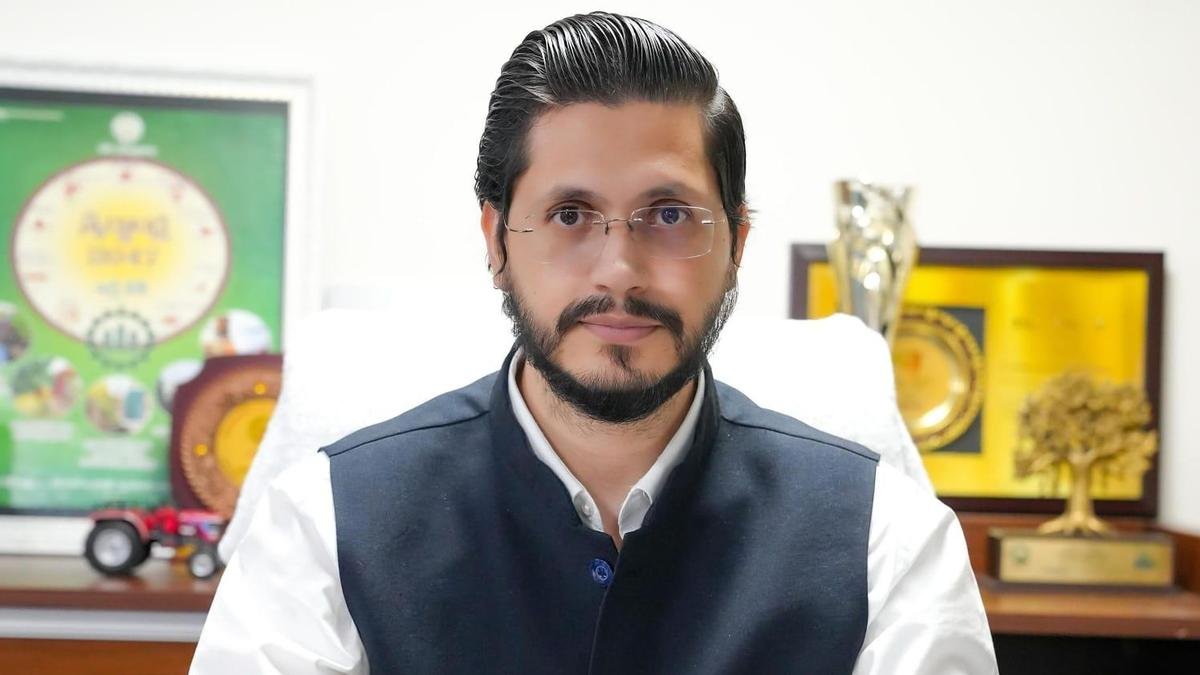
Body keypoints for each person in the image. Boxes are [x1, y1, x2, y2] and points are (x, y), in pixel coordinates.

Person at [191, 11, 997, 674]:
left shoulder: (887, 541)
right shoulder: (322, 525)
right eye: (571, 214)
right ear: (497, 240)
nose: (620, 268)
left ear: (737, 245)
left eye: (670, 214)